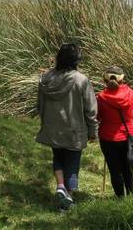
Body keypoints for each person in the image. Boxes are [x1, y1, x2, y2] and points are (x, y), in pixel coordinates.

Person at [35, 43, 98, 211]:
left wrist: (45, 121)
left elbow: (39, 106)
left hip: (53, 129)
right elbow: (91, 110)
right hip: (74, 131)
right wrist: (93, 132)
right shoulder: (81, 80)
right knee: (72, 165)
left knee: (58, 158)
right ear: (76, 60)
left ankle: (61, 186)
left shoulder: (46, 78)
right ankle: (67, 200)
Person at [97, 66, 133, 198]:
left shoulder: (101, 97)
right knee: (128, 170)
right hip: (128, 136)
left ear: (105, 79)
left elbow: (97, 117)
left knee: (114, 170)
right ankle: (131, 197)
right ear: (122, 78)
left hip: (108, 138)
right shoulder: (131, 94)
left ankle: (120, 198)